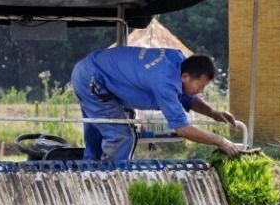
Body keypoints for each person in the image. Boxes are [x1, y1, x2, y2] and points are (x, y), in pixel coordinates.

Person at [71, 46, 241, 161]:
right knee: (122, 136)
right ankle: (111, 182)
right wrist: (220, 141)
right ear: (185, 77)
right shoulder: (164, 81)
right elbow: (182, 128)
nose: (201, 91)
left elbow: (186, 96)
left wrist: (212, 113)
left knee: (98, 132)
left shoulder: (178, 62)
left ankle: (90, 169)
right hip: (93, 78)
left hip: (89, 69)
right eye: (201, 86)